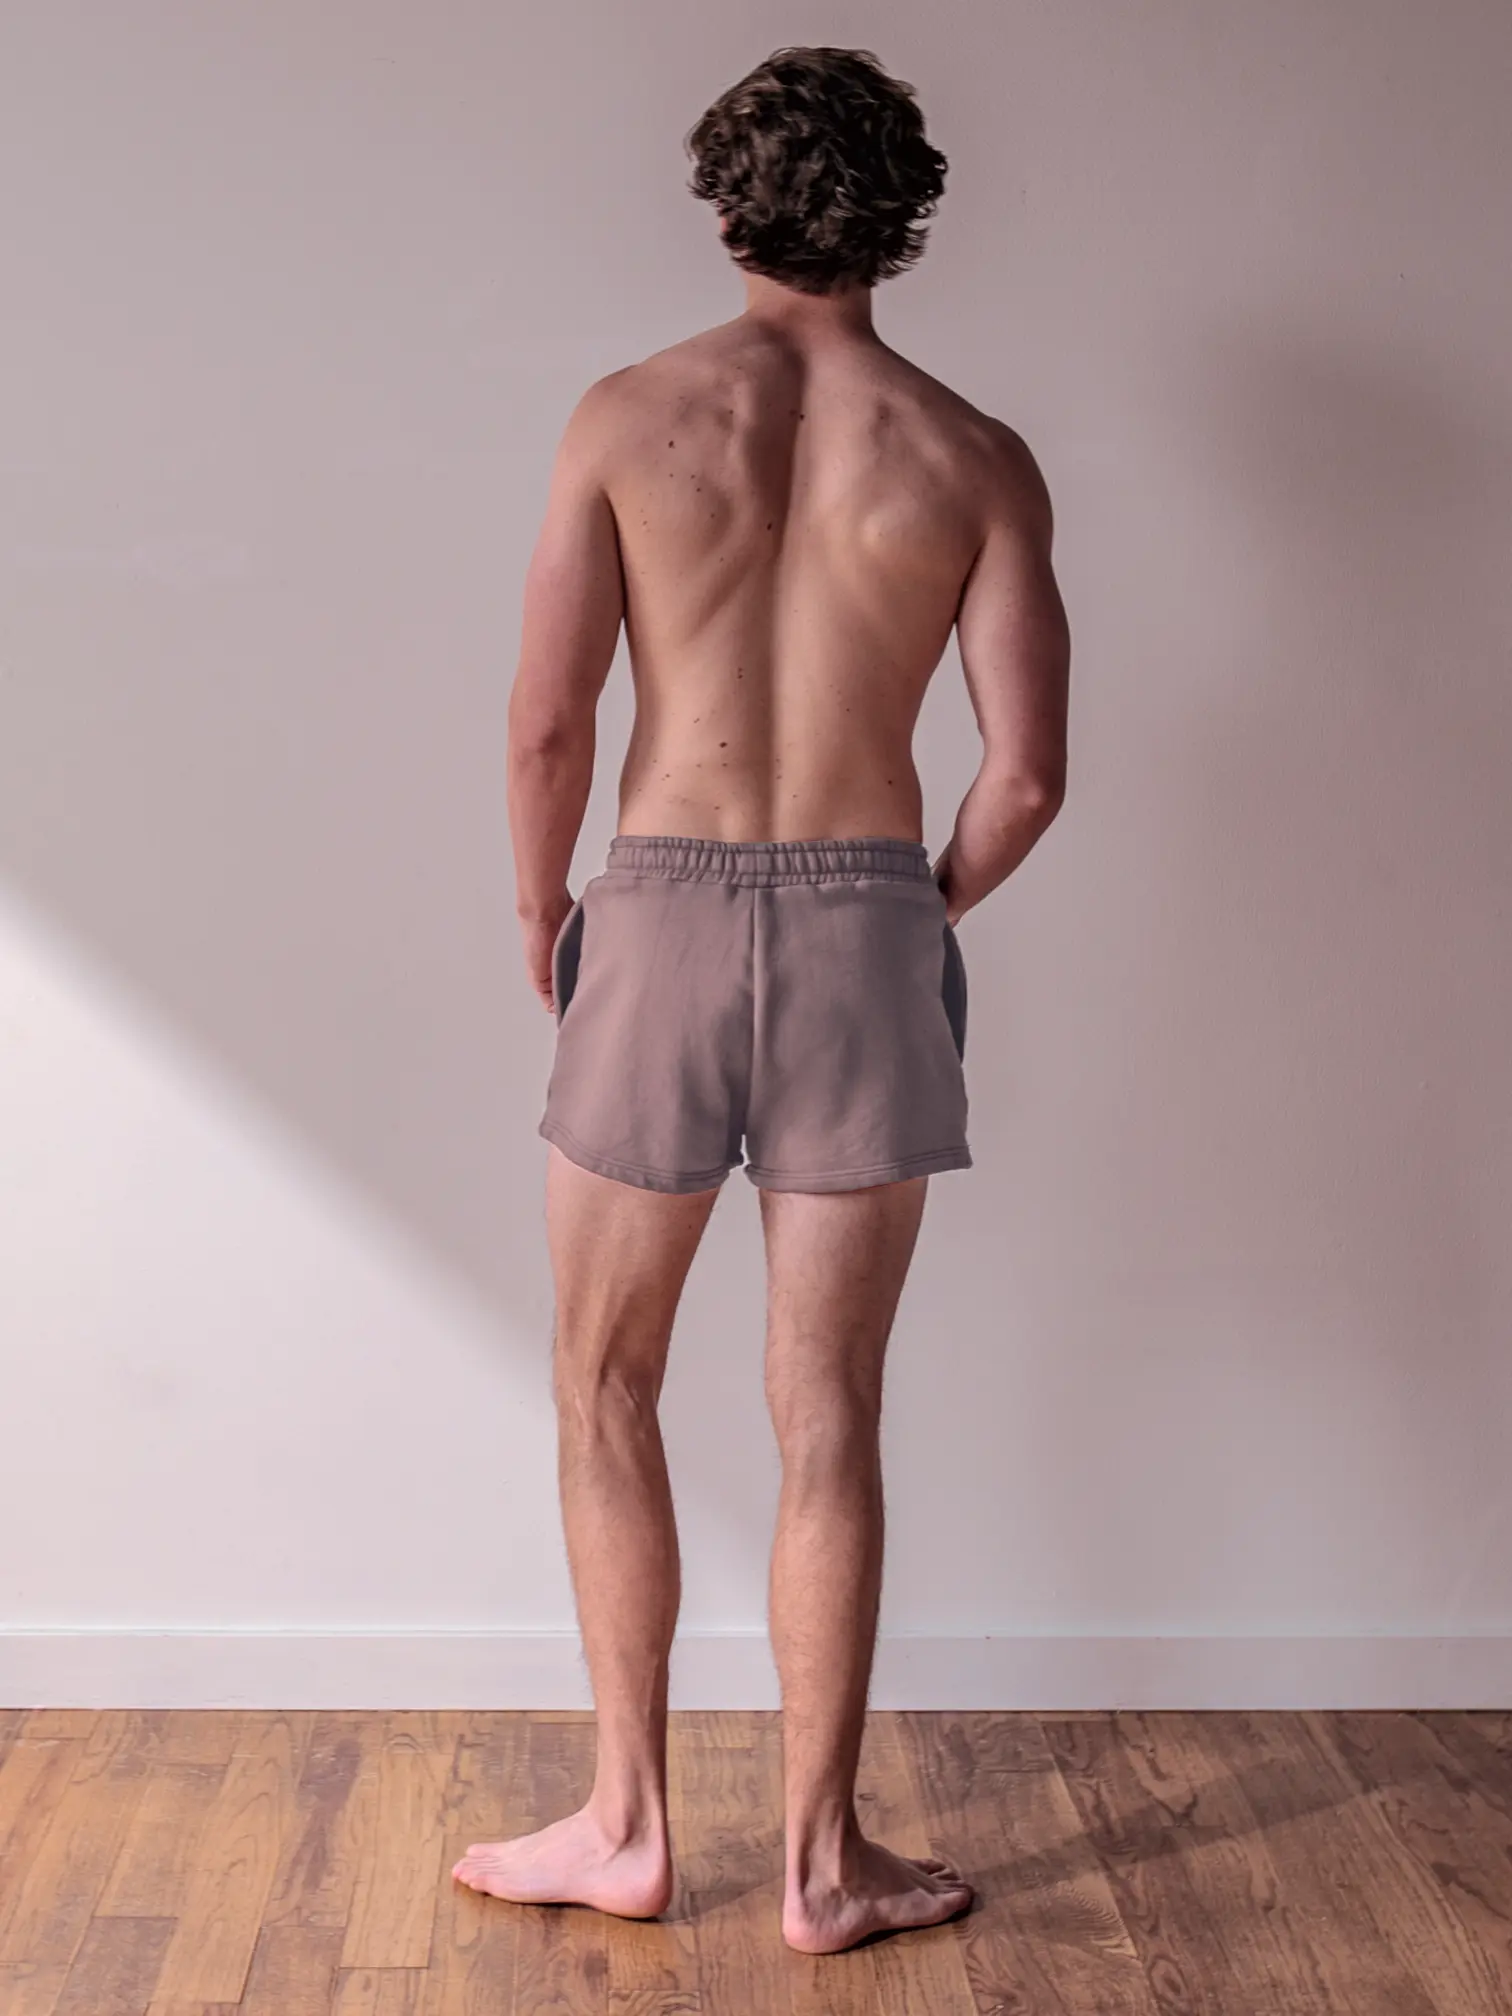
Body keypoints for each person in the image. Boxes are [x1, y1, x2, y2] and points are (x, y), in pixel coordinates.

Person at [453, 45, 1070, 1954]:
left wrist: (552, 905)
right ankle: (819, 1864)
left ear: (727, 207)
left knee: (603, 1383)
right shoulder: (971, 454)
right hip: (872, 918)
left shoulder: (628, 417)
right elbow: (1028, 772)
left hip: (658, 909)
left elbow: (554, 714)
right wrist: (913, 907)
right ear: (902, 216)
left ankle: (629, 1825)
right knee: (829, 1411)